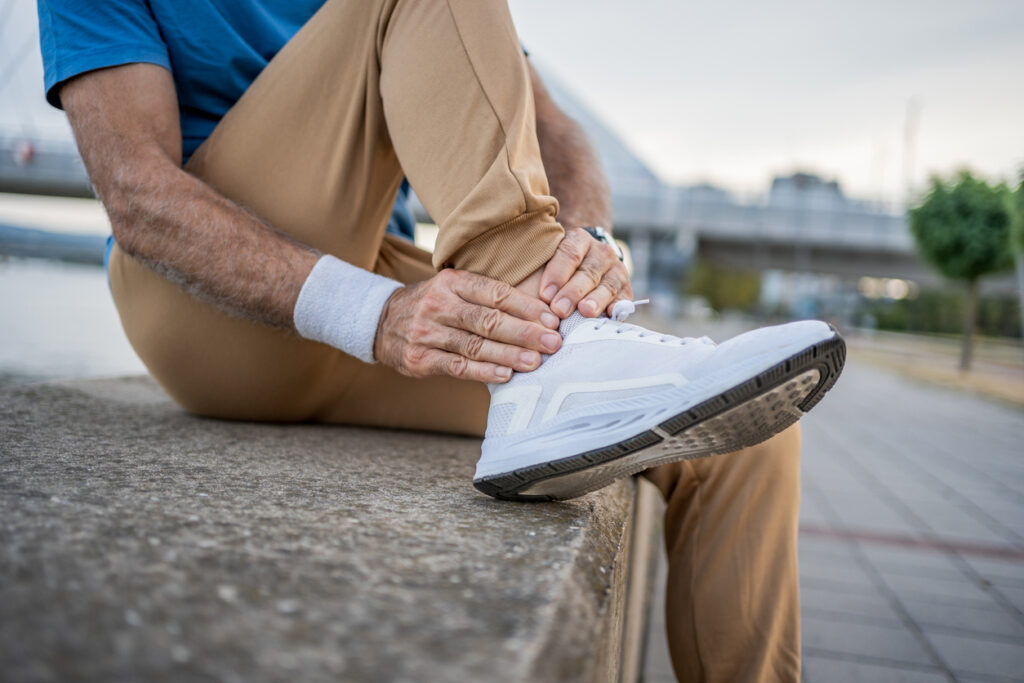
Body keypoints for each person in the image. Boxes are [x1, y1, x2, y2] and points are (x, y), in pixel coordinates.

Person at [37, 1, 845, 680]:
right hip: (207, 310)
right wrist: (375, 314)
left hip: (387, 303)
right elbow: (135, 195)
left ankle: (557, 347)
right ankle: (550, 332)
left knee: (746, 433)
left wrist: (589, 245)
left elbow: (553, 134)